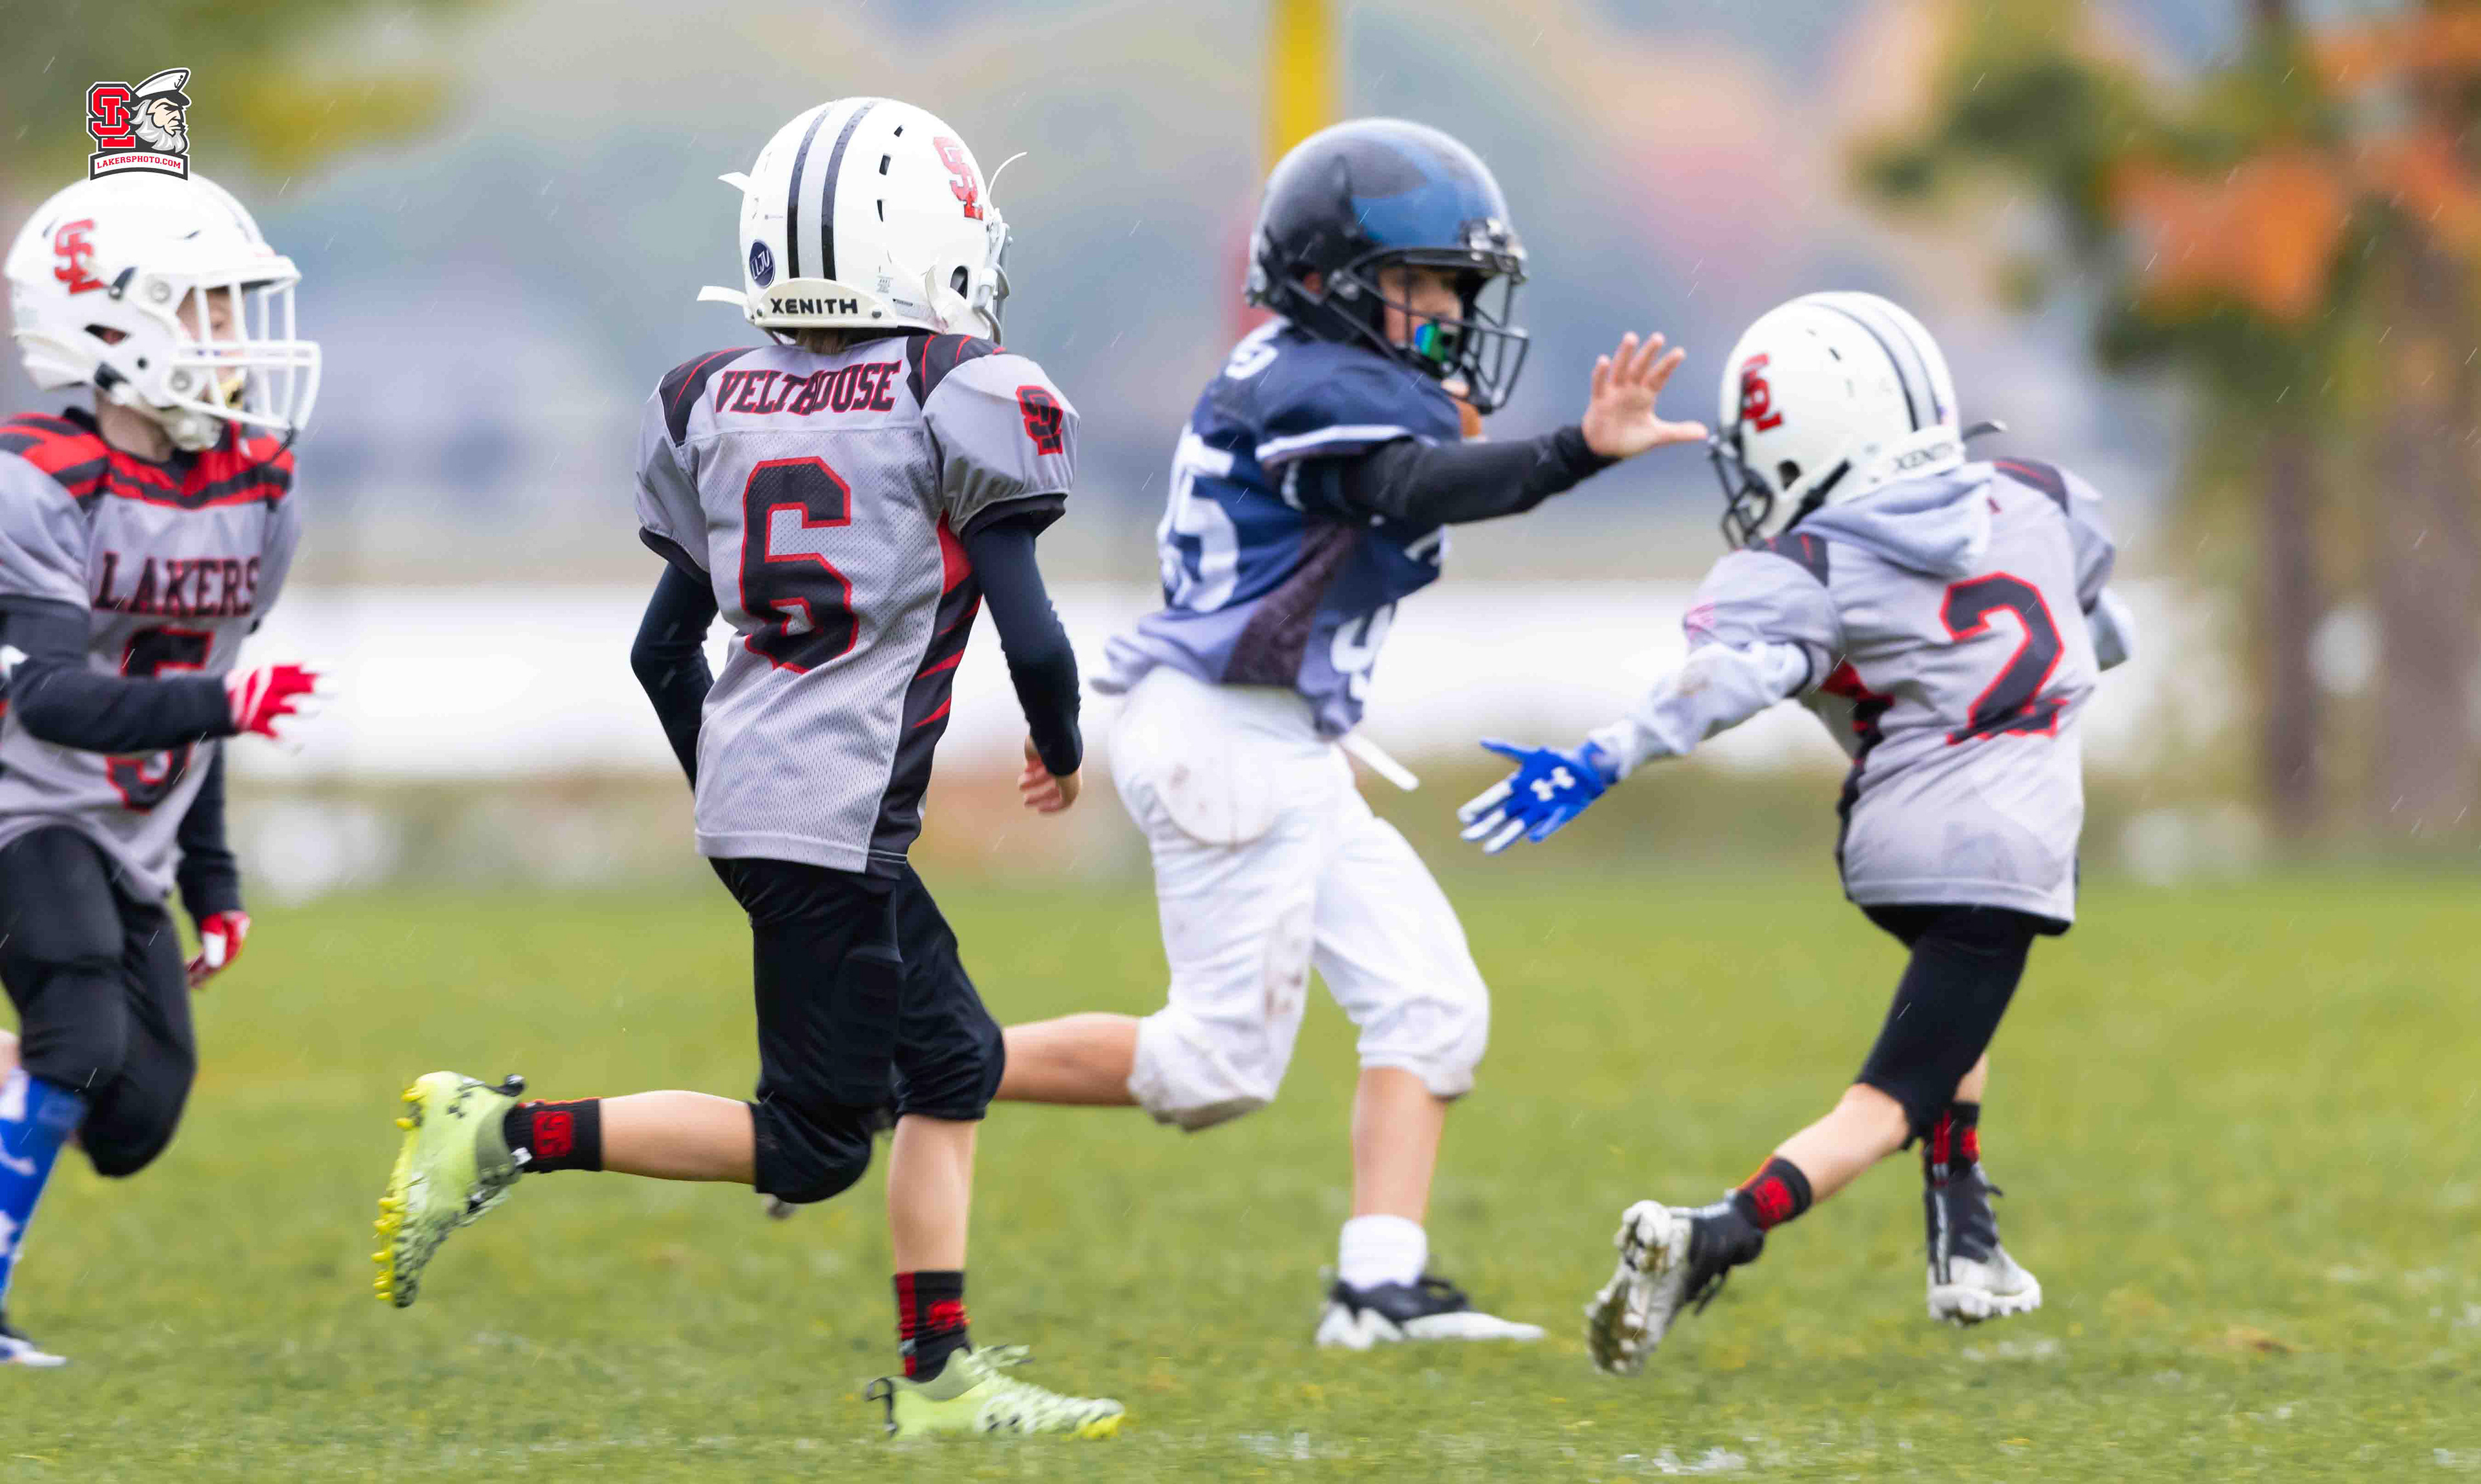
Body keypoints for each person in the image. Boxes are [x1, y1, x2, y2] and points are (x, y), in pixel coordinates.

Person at [370, 98, 1122, 1439]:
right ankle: (498, 1133)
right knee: (813, 1148)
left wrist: (736, 788)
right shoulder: (953, 389)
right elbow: (1038, 642)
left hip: (781, 812)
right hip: (830, 821)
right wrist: (1060, 753)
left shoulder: (715, 396)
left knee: (951, 1060)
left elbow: (661, 650)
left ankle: (941, 1376)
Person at [994, 118, 1708, 1348]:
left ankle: (1377, 1290)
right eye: (1424, 281)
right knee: (1213, 1068)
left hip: (1265, 733)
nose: (1451, 310)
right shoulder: (1319, 384)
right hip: (1230, 739)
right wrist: (1574, 454)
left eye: (1459, 285)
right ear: (1330, 280)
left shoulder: (1305, 368)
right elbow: (1403, 487)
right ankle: (927, 1063)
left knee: (1430, 1003)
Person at [1456, 291, 2137, 1374]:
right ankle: (1715, 1234)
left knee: (1951, 1001)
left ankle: (1966, 1237)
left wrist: (1608, 752)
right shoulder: (2041, 498)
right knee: (1886, 1100)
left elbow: (1735, 677)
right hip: (2001, 847)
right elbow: (2104, 623)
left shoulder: (1817, 561)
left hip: (1899, 841)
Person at [0, 172, 325, 1366]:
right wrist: (220, 705)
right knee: (80, 1032)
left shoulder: (257, 484)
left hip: (126, 825)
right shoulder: (40, 477)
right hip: (20, 805)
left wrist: (213, 877)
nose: (233, 337)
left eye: (234, 307)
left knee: (136, 1113)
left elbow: (200, 688)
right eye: (205, 307)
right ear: (102, 319)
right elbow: (49, 695)